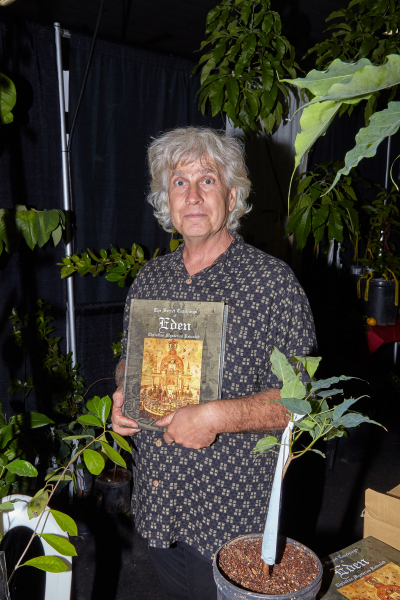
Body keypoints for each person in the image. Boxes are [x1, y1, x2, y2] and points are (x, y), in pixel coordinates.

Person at [111, 127, 316, 600]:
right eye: (179, 182)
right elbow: (128, 359)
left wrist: (215, 417)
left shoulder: (272, 284)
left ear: (232, 192)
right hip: (161, 500)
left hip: (231, 516)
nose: (193, 195)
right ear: (166, 198)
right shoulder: (150, 279)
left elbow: (302, 400)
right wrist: (125, 391)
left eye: (207, 179)